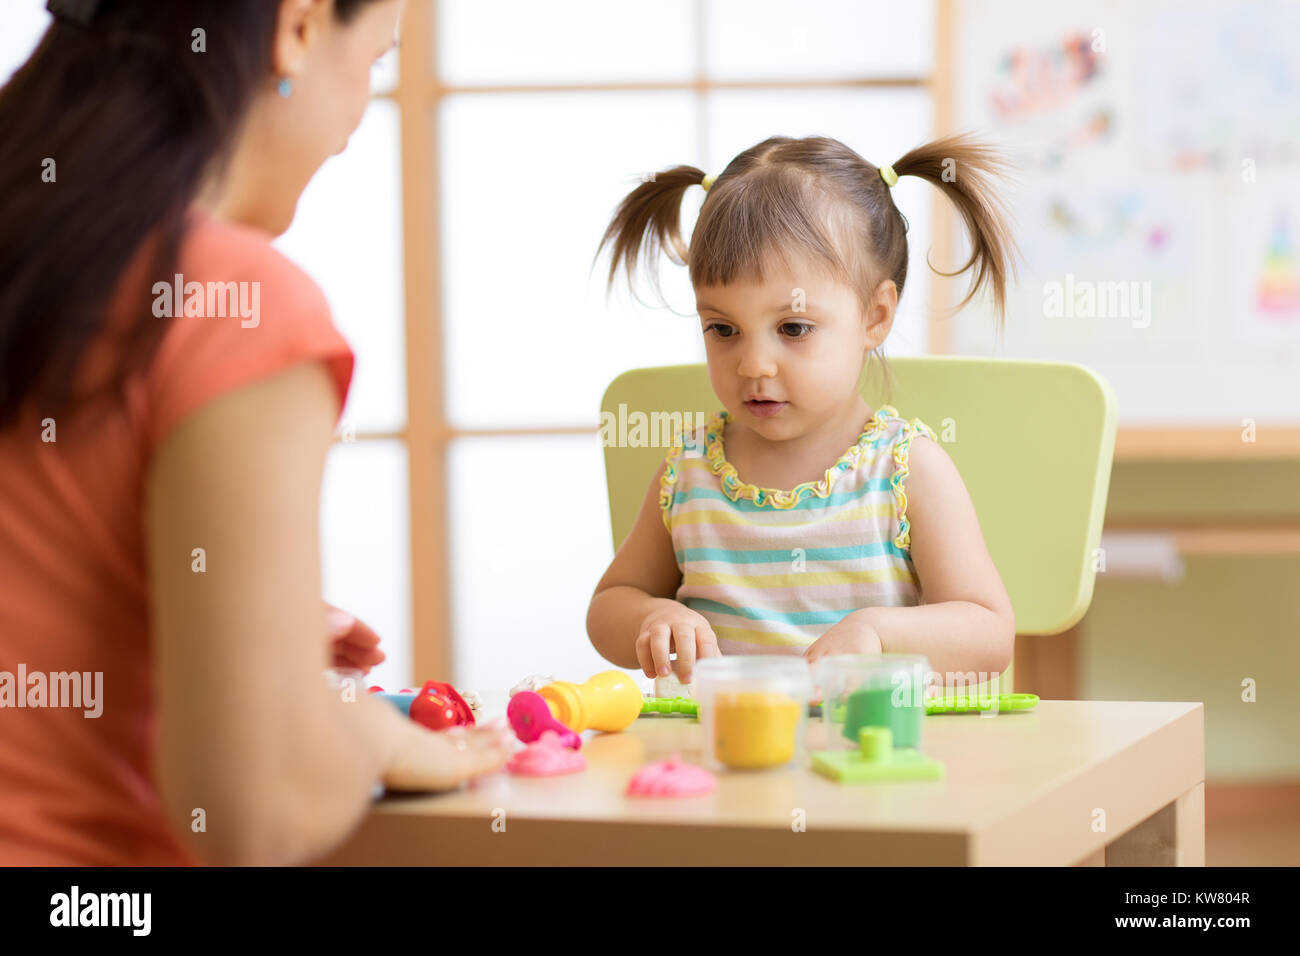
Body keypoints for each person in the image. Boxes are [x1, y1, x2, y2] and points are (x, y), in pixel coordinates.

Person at [0, 0, 512, 866]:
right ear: (300, 27)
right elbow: (256, 811)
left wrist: (214, 617)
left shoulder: (42, 244)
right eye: (376, 60)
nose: (356, 118)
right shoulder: (233, 301)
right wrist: (362, 730)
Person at [586, 134, 1018, 686]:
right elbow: (607, 608)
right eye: (723, 329)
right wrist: (653, 615)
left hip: (869, 760)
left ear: (875, 316)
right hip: (718, 762)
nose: (752, 364)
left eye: (792, 328)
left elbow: (989, 632)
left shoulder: (905, 470)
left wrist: (879, 633)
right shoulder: (690, 470)